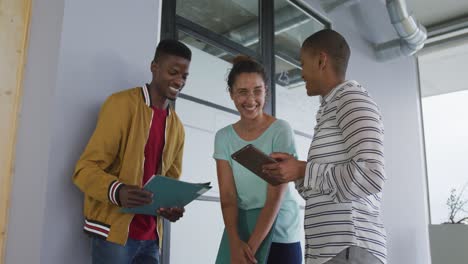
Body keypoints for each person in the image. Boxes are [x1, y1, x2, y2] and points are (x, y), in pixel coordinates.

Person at [262, 29, 387, 264]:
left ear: (321, 60)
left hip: (350, 248)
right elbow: (323, 189)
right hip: (328, 252)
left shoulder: (352, 100)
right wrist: (293, 172)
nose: (301, 74)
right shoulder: (330, 109)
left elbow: (372, 175)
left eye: (303, 64)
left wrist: (303, 170)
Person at [72, 39, 191, 264]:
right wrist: (118, 191)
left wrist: (171, 206)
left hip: (152, 238)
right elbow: (84, 169)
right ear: (154, 67)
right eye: (173, 72)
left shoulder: (177, 127)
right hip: (114, 236)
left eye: (184, 76)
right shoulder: (120, 104)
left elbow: (170, 181)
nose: (179, 81)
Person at [214, 56, 303, 264]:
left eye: (257, 91)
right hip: (243, 230)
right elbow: (228, 196)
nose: (251, 100)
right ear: (232, 95)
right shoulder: (224, 137)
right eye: (242, 92)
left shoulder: (280, 130)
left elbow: (274, 198)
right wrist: (235, 244)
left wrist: (248, 252)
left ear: (266, 92)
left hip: (280, 234)